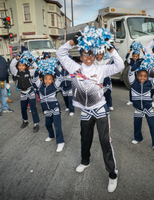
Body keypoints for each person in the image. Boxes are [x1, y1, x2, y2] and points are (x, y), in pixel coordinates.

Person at [56, 34, 124, 193]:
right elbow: (60, 53)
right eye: (85, 54)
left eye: (91, 54)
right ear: (80, 56)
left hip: (100, 109)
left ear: (94, 55)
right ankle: (85, 161)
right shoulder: (75, 68)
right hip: (85, 111)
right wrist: (72, 42)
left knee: (105, 141)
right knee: (85, 139)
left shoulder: (101, 69)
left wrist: (111, 48)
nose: (88, 57)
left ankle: (112, 174)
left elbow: (120, 65)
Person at [129, 58, 154, 151]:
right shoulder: (133, 82)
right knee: (137, 124)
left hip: (148, 108)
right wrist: (138, 63)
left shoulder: (150, 83)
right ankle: (138, 138)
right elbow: (131, 71)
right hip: (138, 108)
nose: (142, 78)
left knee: (152, 125)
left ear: (147, 77)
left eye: (145, 76)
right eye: (140, 76)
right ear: (137, 76)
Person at [33, 66, 65, 152]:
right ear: (43, 79)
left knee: (57, 126)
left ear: (53, 80)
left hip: (55, 108)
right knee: (47, 124)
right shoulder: (40, 86)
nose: (47, 80)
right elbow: (35, 78)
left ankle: (60, 142)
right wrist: (38, 68)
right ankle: (51, 135)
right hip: (47, 110)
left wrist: (53, 67)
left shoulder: (55, 86)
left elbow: (60, 77)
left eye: (50, 79)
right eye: (46, 78)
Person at [10, 57, 40, 132]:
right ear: (17, 66)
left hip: (31, 91)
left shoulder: (30, 72)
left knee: (33, 108)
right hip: (23, 93)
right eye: (19, 65)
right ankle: (25, 121)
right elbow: (11, 66)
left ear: (26, 66)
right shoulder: (15, 72)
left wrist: (31, 61)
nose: (21, 67)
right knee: (23, 108)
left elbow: (37, 68)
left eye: (23, 65)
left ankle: (36, 124)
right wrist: (16, 58)